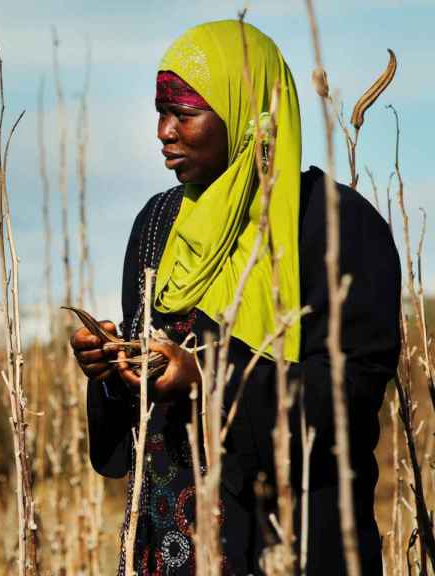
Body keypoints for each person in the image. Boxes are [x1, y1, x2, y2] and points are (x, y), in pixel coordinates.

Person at [70, 20, 399, 575]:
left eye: (184, 113)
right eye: (160, 111)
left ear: (249, 115)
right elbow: (132, 432)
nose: (163, 132)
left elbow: (350, 394)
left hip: (289, 544)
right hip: (168, 543)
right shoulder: (158, 223)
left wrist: (208, 381)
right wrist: (113, 370)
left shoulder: (335, 225)